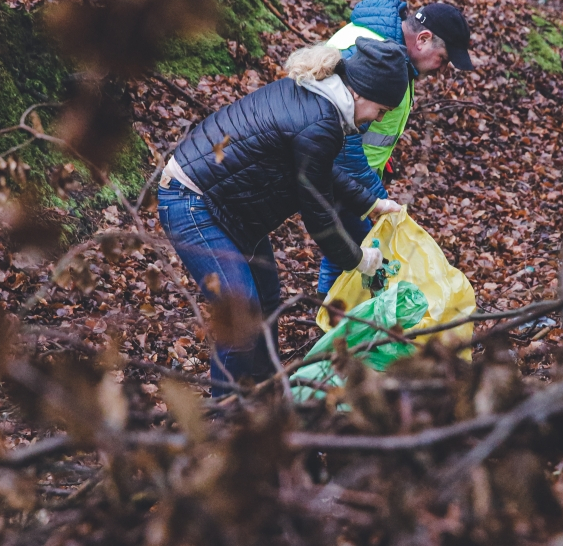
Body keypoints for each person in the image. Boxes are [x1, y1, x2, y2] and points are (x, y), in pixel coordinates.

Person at [157, 38, 409, 394]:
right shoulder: (319, 122)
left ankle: (263, 395)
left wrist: (370, 204)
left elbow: (316, 173)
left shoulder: (319, 103)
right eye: (381, 109)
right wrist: (359, 260)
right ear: (360, 94)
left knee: (268, 303)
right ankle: (223, 421)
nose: (379, 119)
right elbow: (319, 216)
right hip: (193, 202)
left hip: (233, 210)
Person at [317, 0, 474, 295]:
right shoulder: (373, 53)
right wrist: (375, 198)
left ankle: (333, 322)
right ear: (424, 39)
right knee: (369, 252)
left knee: (345, 251)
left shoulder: (392, 50)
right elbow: (341, 132)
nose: (440, 70)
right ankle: (346, 327)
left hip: (352, 173)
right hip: (340, 172)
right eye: (442, 59)